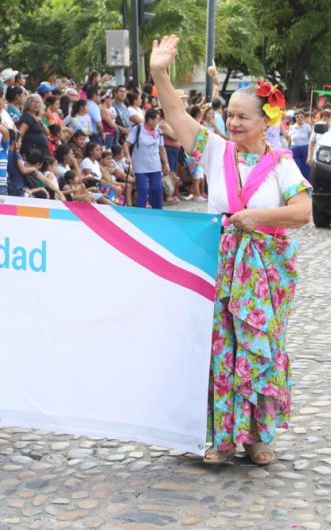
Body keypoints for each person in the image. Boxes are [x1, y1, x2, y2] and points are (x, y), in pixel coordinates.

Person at [151, 35, 312, 465]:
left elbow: (302, 211)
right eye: (231, 115)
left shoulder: (282, 164)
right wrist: (159, 72)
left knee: (261, 346)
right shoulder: (215, 151)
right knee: (220, 347)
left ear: (265, 121)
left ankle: (258, 435)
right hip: (219, 267)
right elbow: (176, 115)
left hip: (265, 276)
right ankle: (221, 437)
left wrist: (258, 218)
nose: (234, 122)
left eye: (243, 116)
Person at [123, 108, 169, 209]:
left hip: (155, 165)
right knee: (143, 189)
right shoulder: (138, 129)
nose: (159, 121)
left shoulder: (158, 131)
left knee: (157, 188)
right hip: (140, 166)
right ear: (150, 120)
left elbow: (162, 148)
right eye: (157, 119)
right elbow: (126, 144)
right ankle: (141, 212)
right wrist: (128, 156)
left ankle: (157, 211)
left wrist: (166, 163)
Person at [289, 111, 312, 180]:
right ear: (295, 118)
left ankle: (306, 183)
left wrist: (310, 153)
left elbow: (311, 139)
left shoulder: (307, 127)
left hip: (305, 148)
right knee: (295, 167)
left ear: (304, 118)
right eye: (297, 116)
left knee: (306, 168)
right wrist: (288, 149)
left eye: (301, 116)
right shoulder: (292, 127)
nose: (299, 118)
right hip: (294, 149)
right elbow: (289, 139)